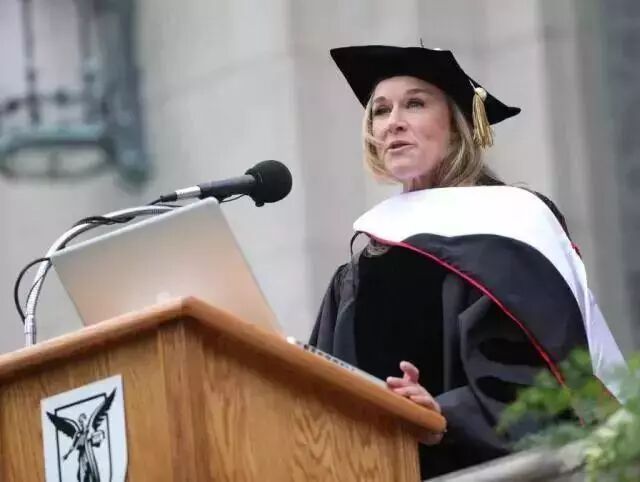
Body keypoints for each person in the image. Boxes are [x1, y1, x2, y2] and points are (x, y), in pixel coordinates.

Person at [309, 45, 625, 478]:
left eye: (415, 104)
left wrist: (445, 413)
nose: (393, 121)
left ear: (458, 128)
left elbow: (540, 377)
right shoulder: (364, 265)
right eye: (381, 111)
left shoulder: (509, 225)